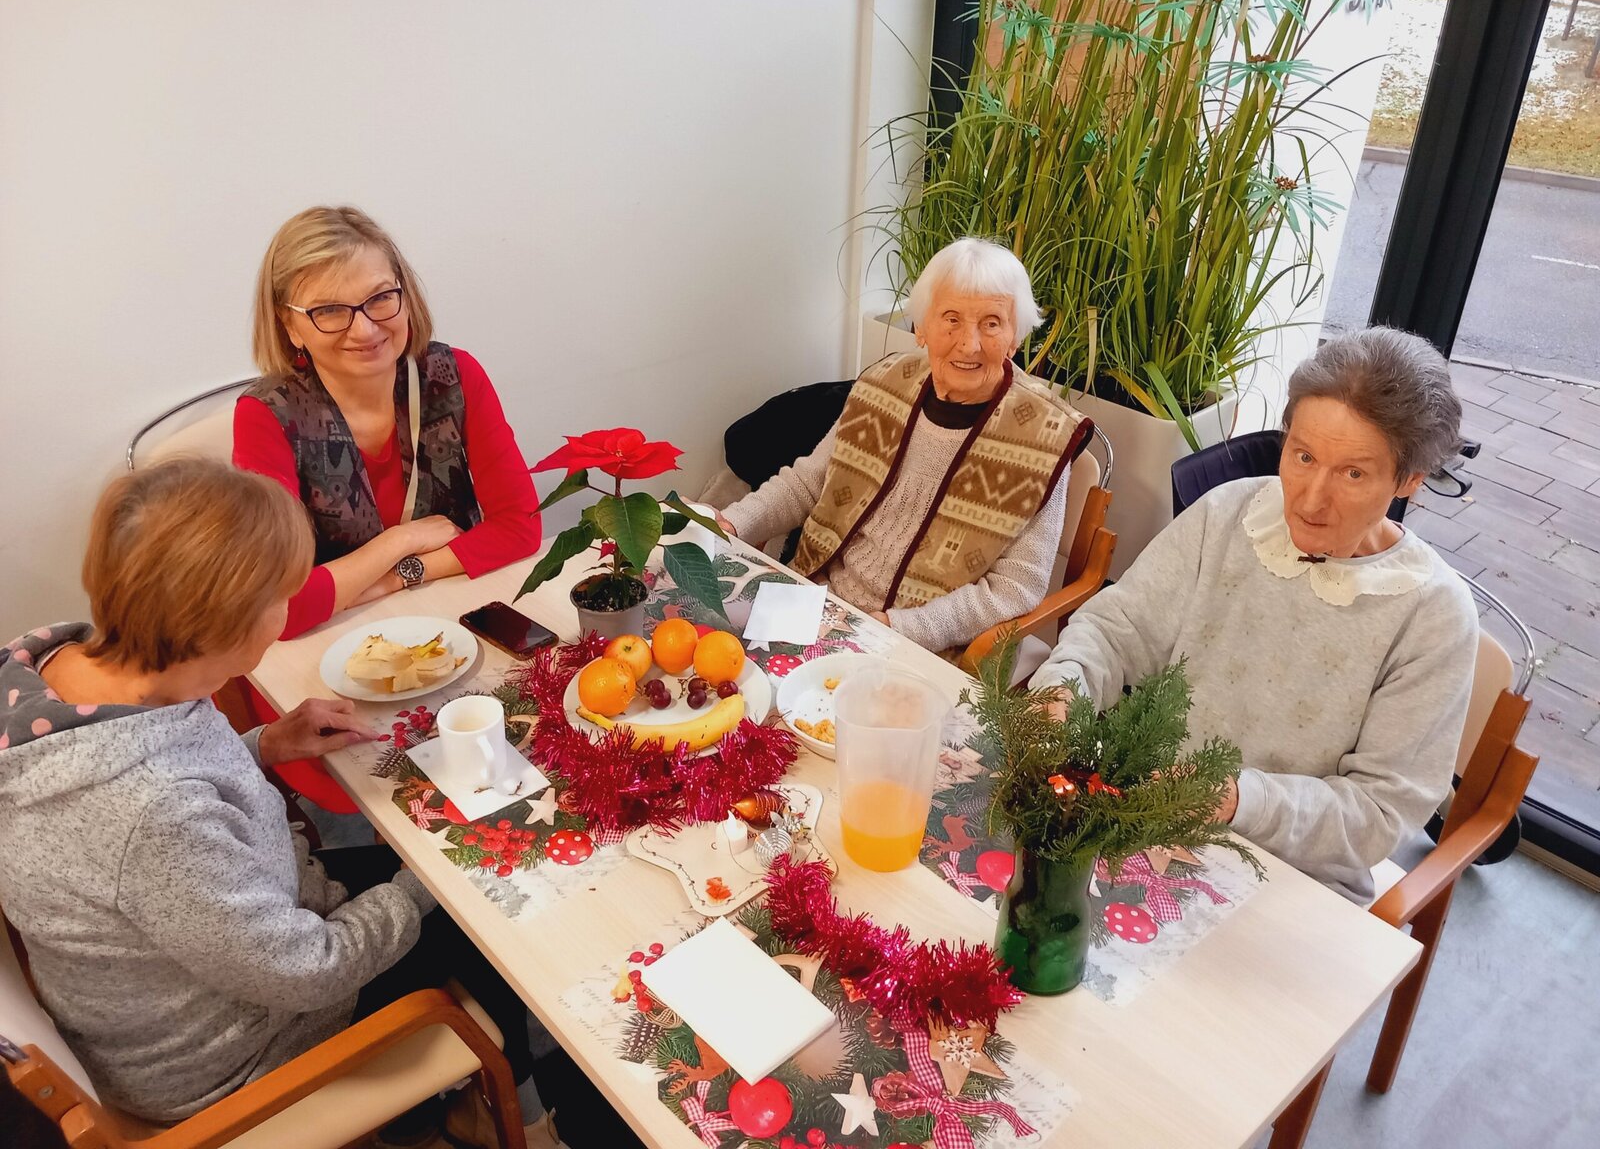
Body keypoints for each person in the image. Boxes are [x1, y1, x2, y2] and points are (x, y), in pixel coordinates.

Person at [0, 459, 639, 1148]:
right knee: (494, 922)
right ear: (225, 624)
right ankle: (512, 1118)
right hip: (235, 1057)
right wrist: (436, 876)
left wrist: (263, 744)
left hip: (215, 954)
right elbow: (308, 969)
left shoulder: (65, 669)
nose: (293, 608)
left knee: (449, 889)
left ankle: (440, 1105)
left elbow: (164, 807)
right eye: (284, 594)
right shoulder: (152, 814)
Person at [1031, 328, 1479, 903]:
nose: (1310, 499)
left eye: (1353, 473)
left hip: (1289, 879)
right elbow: (1116, 633)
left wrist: (1236, 798)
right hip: (1133, 811)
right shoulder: (1228, 513)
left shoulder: (1432, 615)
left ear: (1410, 479)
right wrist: (1065, 687)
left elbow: (1378, 812)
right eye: (1303, 456)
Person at [715, 238, 1092, 653]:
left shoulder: (1042, 438)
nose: (969, 344)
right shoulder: (886, 383)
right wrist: (732, 522)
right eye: (951, 319)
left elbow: (1015, 588)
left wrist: (898, 627)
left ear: (1014, 337)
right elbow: (808, 483)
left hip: (925, 645)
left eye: (991, 323)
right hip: (818, 602)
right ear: (922, 328)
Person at [234, 205, 542, 641]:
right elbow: (273, 605)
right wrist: (400, 542)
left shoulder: (455, 375)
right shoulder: (265, 416)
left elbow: (520, 526)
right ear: (291, 326)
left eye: (380, 298)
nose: (364, 330)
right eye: (329, 310)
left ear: (405, 294)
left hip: (457, 615)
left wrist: (398, 575)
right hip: (335, 640)